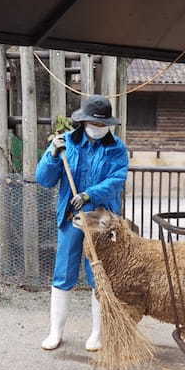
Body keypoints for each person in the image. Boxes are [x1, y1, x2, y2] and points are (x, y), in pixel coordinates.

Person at [35, 95, 129, 351]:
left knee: (99, 274)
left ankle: (97, 334)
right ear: (84, 121)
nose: (98, 129)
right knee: (63, 272)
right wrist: (53, 155)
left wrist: (90, 194)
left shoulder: (117, 149)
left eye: (103, 124)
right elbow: (43, 179)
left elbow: (117, 180)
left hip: (101, 219)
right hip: (70, 218)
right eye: (94, 124)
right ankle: (55, 331)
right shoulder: (67, 144)